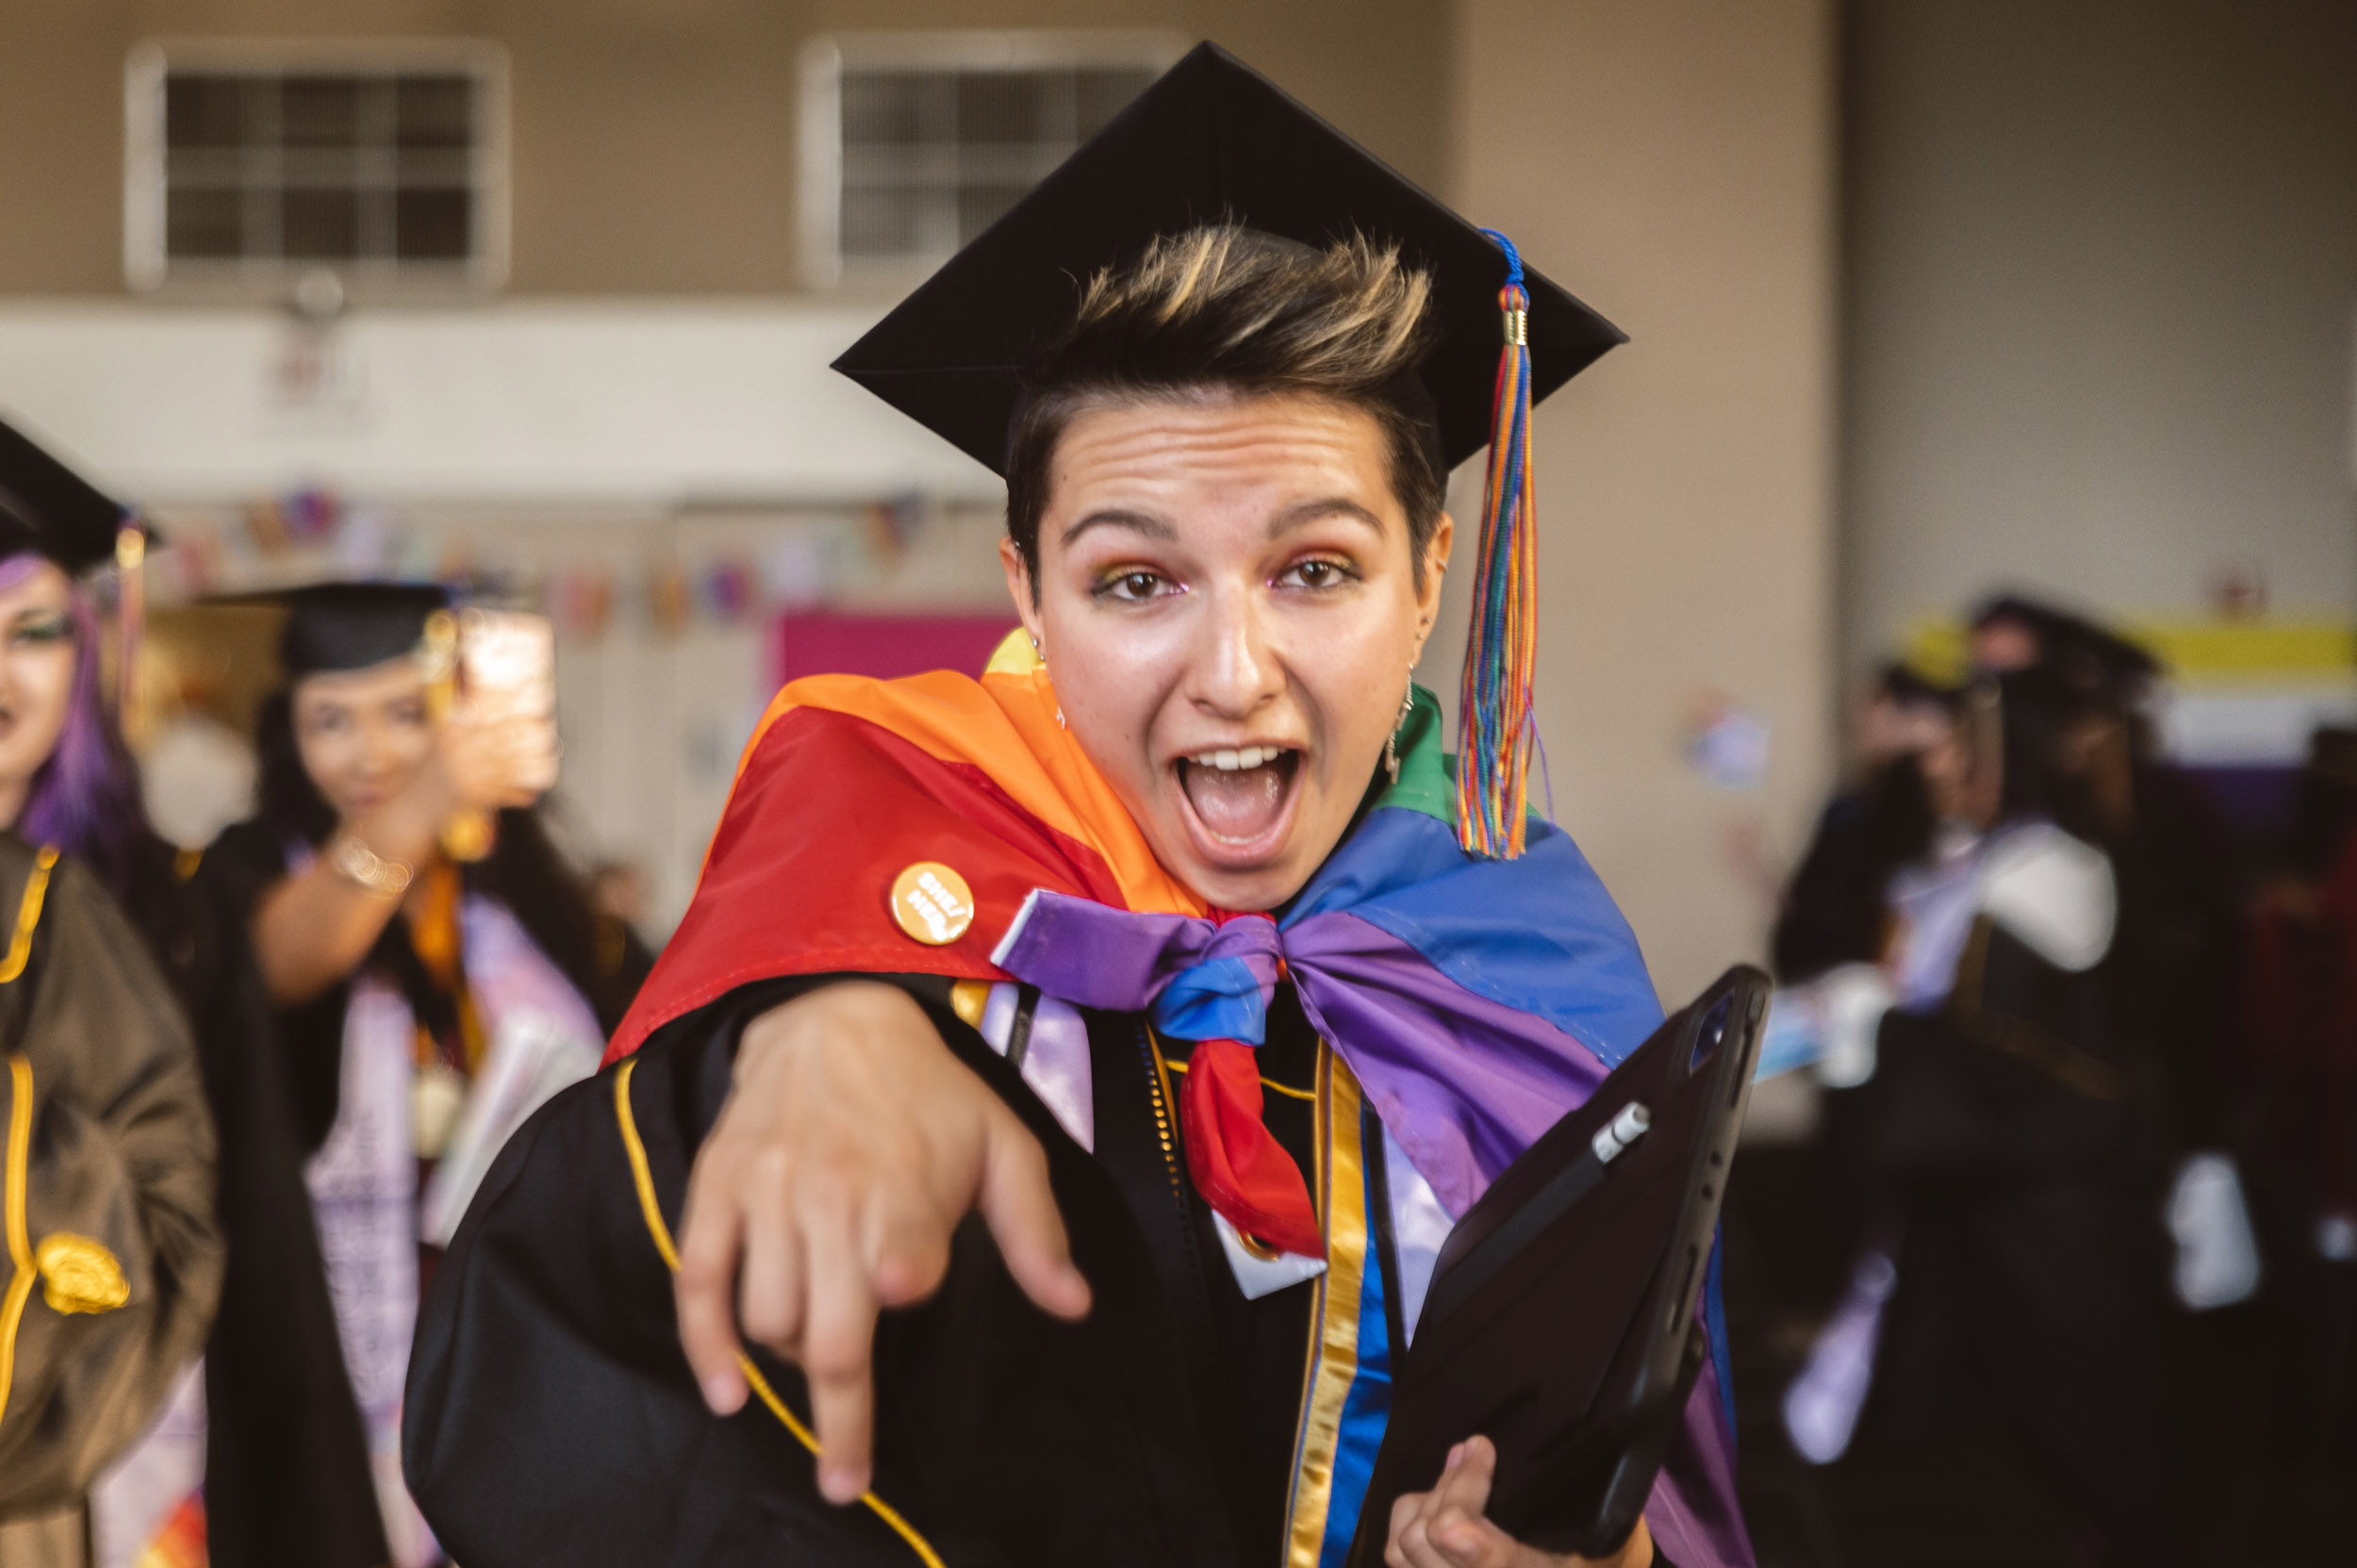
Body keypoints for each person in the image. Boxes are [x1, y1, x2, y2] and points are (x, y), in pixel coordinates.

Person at [405, 44, 1751, 1568]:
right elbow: (546, 1386)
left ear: (1434, 573)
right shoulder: (885, 903)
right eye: (1134, 580)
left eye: (1315, 569)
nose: (1233, 673)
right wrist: (778, 1037)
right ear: (1026, 595)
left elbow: (1670, 1472)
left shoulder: (1533, 961)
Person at [204, 584, 652, 1567]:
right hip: (324, 1340)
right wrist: (420, 806)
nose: (369, 753)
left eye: (404, 714)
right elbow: (277, 966)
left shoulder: (532, 900)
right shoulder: (252, 870)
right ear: (290, 733)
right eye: (331, 720)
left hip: (517, 1329)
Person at [1789, 668, 2178, 1563]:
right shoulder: (1974, 858)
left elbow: (2002, 1047)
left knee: (2077, 1415)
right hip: (1972, 1191)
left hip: (2045, 1195)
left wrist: (1874, 1019)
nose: (1944, 765)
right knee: (1953, 1434)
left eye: (1967, 747)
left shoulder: (2054, 869)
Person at [0, 420, 225, 1567]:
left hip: (78, 1438)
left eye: (32, 630)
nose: (0, 671)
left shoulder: (144, 898)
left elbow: (184, 1196)